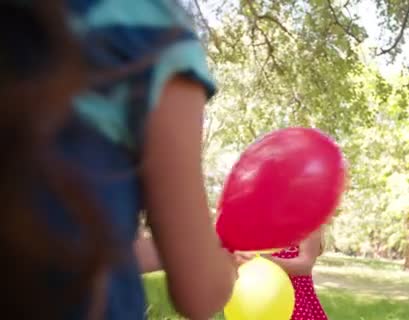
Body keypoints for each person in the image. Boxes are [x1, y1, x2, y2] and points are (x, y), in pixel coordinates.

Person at [1, 1, 237, 319]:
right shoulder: (149, 27)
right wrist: (222, 266)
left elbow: (66, 237)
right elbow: (201, 292)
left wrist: (170, 250)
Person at [268, 227, 329, 320]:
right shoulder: (264, 220)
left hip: (295, 300)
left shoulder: (309, 223)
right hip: (260, 296)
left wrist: (268, 260)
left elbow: (305, 265)